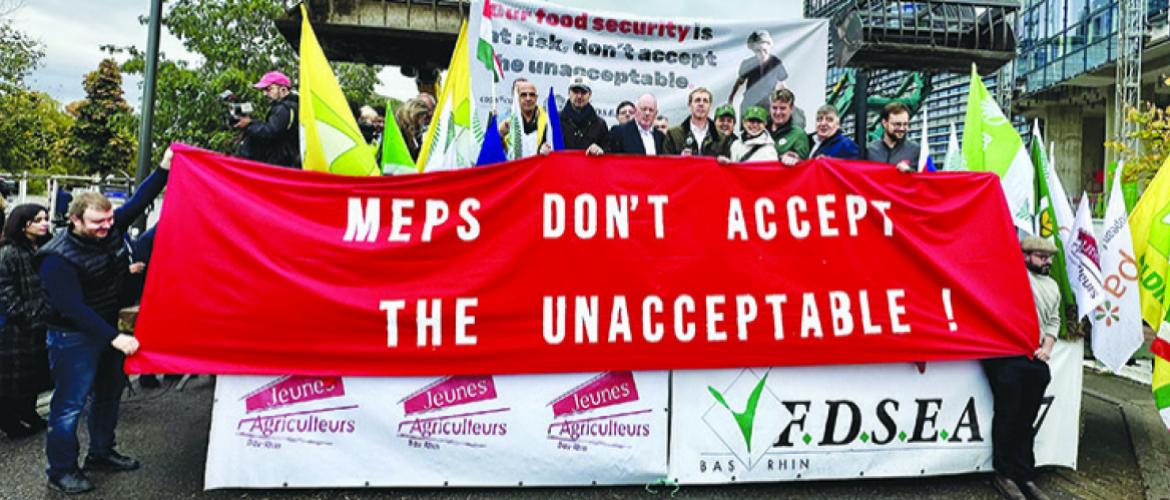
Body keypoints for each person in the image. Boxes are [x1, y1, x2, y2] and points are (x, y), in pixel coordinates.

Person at [38, 148, 172, 494]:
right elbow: (72, 307)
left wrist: (163, 168)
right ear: (76, 221)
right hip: (73, 337)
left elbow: (140, 199)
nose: (106, 227)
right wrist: (115, 337)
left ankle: (101, 452)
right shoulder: (56, 257)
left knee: (108, 396)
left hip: (107, 330)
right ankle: (61, 470)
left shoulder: (110, 228)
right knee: (68, 406)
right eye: (98, 222)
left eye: (109, 220)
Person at [984, 236, 1058, 500]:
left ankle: (1025, 474)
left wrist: (1047, 347)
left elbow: (1053, 320)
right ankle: (1003, 474)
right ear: (1024, 256)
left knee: (1027, 418)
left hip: (1034, 359)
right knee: (1008, 413)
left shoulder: (1052, 286)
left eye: (1049, 257)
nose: (1047, 261)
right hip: (1004, 355)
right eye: (1041, 256)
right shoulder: (1010, 276)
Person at [0, 204, 52, 440]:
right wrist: (25, 315)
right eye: (38, 219)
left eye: (45, 218)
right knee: (13, 378)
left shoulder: (43, 248)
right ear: (24, 224)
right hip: (18, 326)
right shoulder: (9, 253)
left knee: (33, 375)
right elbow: (5, 290)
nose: (45, 223)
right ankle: (10, 422)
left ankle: (28, 414)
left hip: (39, 321)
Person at [236, 71, 300, 168]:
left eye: (269, 89)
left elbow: (270, 131)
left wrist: (249, 125)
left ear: (283, 90)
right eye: (263, 90)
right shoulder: (294, 106)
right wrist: (252, 123)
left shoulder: (284, 108)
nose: (265, 94)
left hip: (282, 165)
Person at [663, 88, 731, 157]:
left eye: (705, 101)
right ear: (690, 104)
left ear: (710, 106)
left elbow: (726, 166)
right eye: (697, 100)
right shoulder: (673, 135)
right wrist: (680, 160)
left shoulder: (722, 139)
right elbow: (666, 165)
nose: (701, 104)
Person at [499, 79, 551, 158]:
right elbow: (494, 153)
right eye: (523, 95)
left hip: (539, 168)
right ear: (517, 98)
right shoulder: (505, 122)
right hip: (515, 168)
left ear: (536, 98)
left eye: (532, 95)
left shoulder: (548, 122)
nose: (528, 98)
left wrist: (550, 150)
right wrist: (500, 135)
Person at [559, 76, 608, 155]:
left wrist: (600, 150)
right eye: (575, 91)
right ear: (569, 93)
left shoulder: (600, 124)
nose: (579, 96)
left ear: (590, 94)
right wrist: (544, 147)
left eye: (583, 92)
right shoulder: (555, 121)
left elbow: (608, 151)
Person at [866, 102, 921, 172]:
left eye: (905, 124)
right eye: (897, 124)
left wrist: (910, 171)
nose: (902, 128)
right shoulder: (869, 151)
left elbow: (928, 178)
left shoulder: (916, 150)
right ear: (885, 123)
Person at [769, 89, 810, 167]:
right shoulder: (762, 131)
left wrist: (796, 159)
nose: (778, 112)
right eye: (774, 108)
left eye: (782, 108)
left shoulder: (798, 134)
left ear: (791, 109)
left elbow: (804, 168)